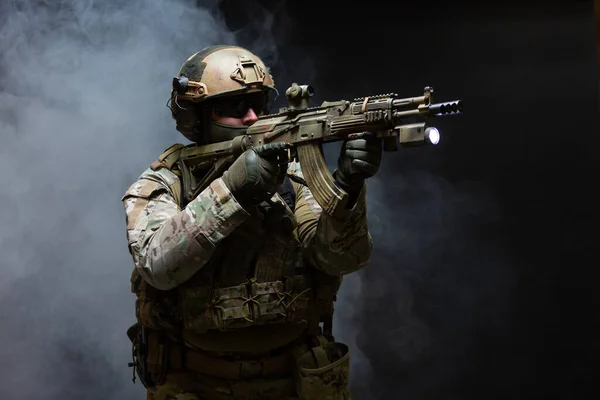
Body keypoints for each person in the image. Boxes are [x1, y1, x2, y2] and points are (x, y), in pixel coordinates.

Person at [121, 45, 382, 400]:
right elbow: (158, 264)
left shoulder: (292, 178)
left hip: (293, 382)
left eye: (259, 105)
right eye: (232, 108)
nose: (251, 118)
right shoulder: (166, 182)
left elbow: (341, 259)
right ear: (197, 118)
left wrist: (348, 189)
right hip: (195, 384)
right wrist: (233, 191)